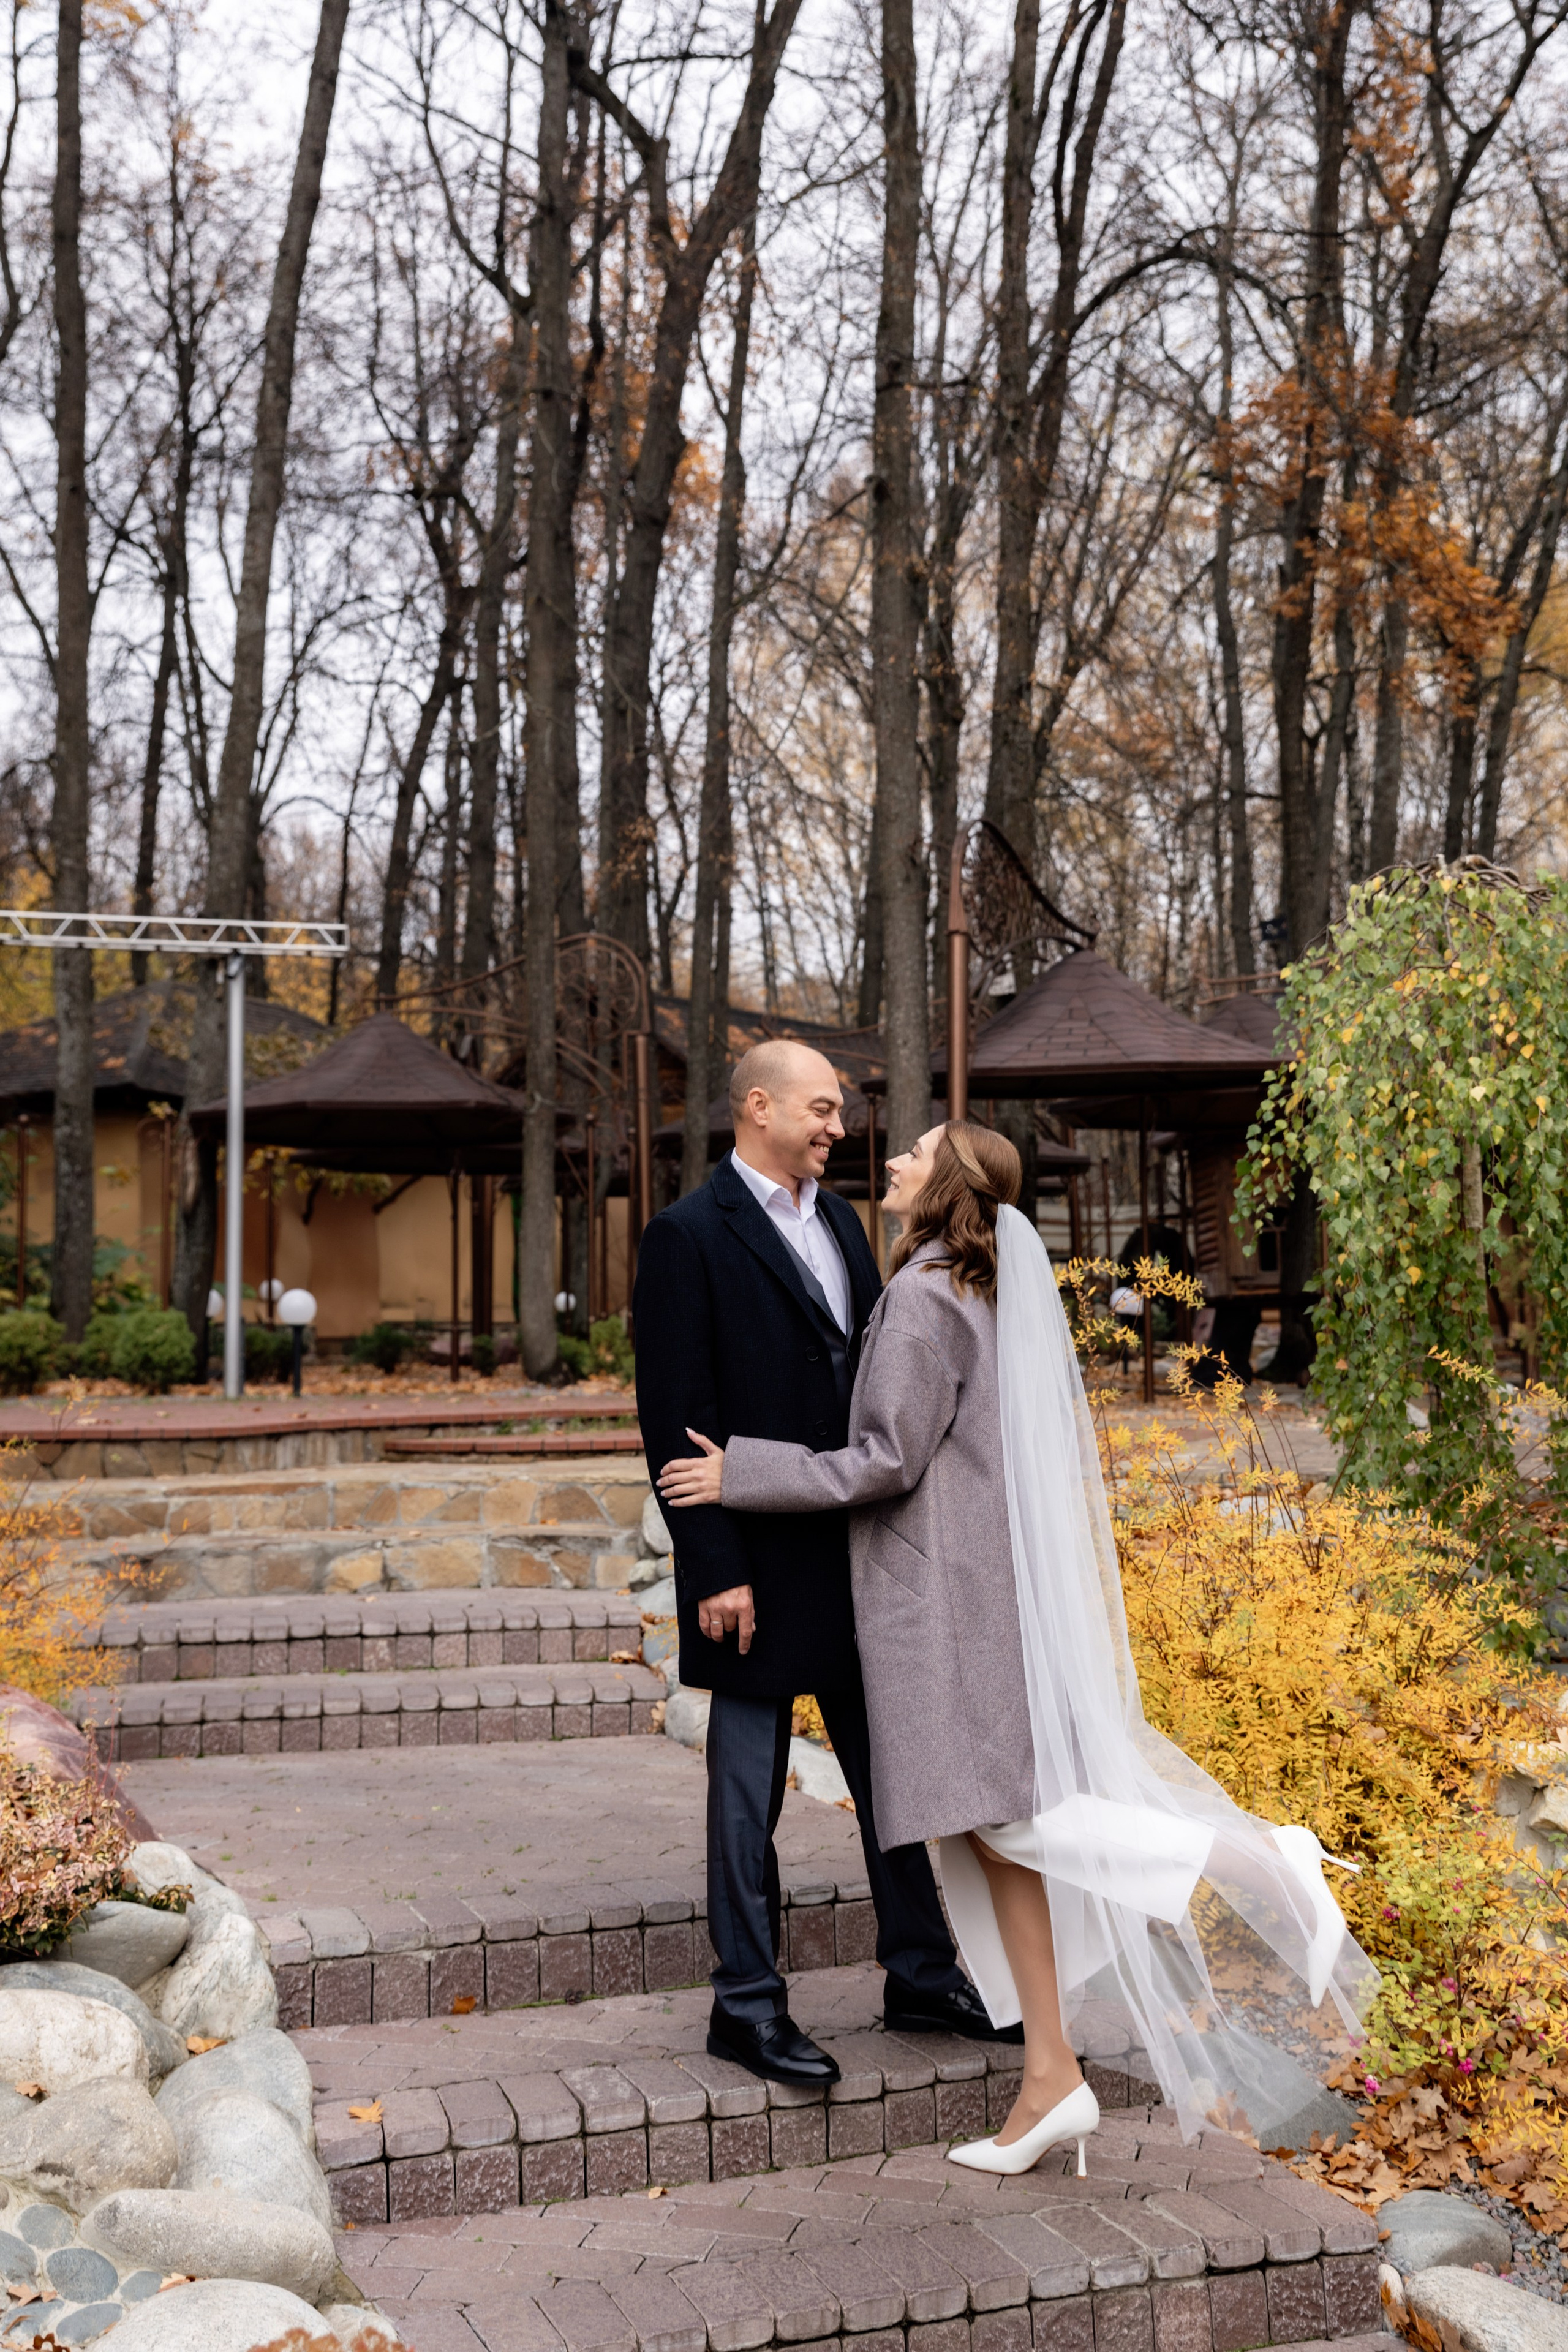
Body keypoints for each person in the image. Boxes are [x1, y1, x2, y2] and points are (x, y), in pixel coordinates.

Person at [659, 1118, 1376, 2171]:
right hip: (977, 1589)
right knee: (1001, 1838)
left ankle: (1265, 1859)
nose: (891, 1158)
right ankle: (1052, 2075)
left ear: (945, 1180)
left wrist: (742, 1474)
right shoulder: (979, 1286)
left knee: (1017, 1827)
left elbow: (884, 1461)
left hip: (937, 1601)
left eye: (914, 1151)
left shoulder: (919, 1297)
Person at [631, 1043, 1013, 2092]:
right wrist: (714, 1569)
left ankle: (922, 1975)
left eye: (839, 1112)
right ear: (757, 1107)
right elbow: (674, 1424)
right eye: (822, 1108)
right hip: (749, 1562)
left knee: (890, 1776)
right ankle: (746, 2007)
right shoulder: (684, 1238)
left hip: (853, 1554)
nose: (838, 1127)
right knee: (746, 1796)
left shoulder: (844, 1225)